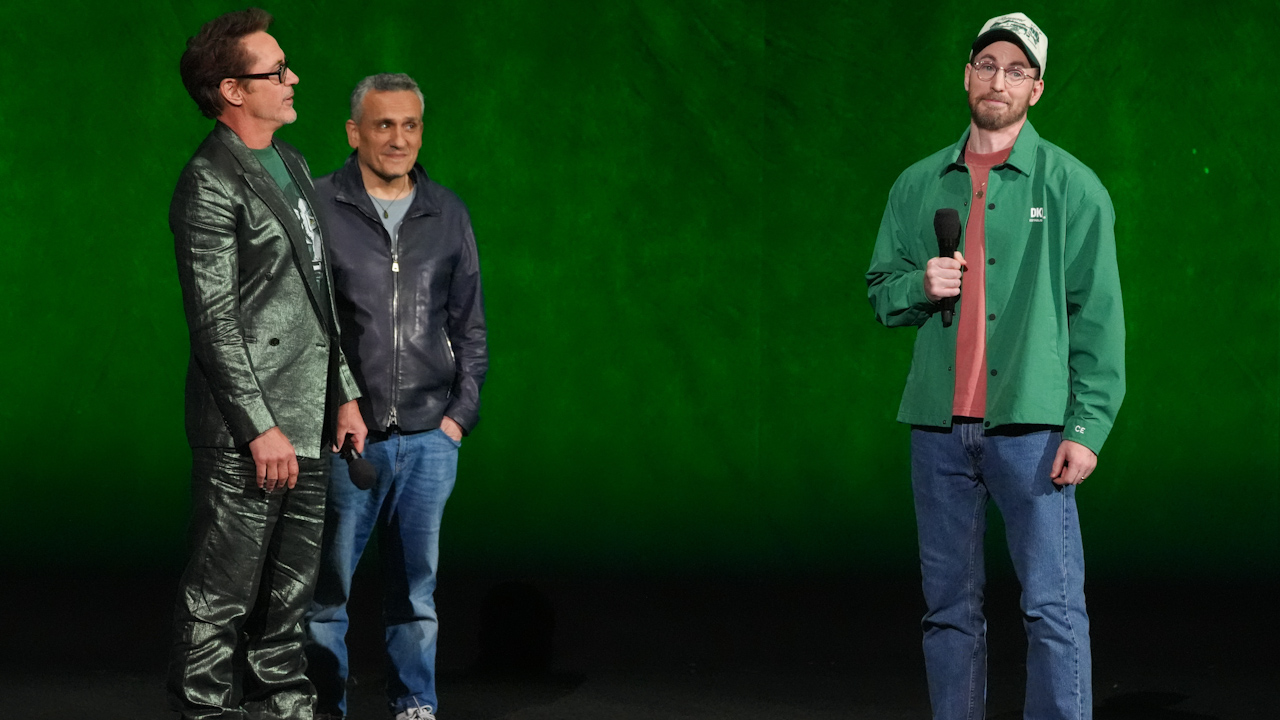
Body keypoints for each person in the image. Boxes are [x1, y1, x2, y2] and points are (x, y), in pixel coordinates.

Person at [866, 12, 1124, 720]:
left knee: (1051, 605)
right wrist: (921, 284)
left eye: (1016, 70)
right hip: (938, 431)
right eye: (986, 65)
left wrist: (1087, 426)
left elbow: (1097, 316)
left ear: (1036, 89)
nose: (998, 80)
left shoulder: (1073, 187)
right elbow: (880, 293)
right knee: (948, 608)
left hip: (1032, 431)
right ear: (966, 75)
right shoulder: (919, 184)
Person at [167, 8, 368, 719]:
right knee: (220, 597)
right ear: (231, 90)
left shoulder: (291, 163)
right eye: (275, 71)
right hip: (248, 438)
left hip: (308, 419)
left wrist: (343, 394)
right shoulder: (208, 182)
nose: (293, 78)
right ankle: (207, 711)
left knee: (289, 600)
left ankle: (286, 709)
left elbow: (319, 292)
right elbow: (214, 322)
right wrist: (259, 429)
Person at [305, 73, 488, 720]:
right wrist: (333, 404)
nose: (399, 138)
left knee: (415, 593)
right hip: (345, 441)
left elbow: (470, 327)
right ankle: (324, 705)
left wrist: (457, 421)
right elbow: (304, 324)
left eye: (410, 125)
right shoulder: (318, 206)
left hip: (428, 442)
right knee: (327, 591)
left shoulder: (448, 212)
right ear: (354, 132)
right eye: (384, 124)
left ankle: (415, 703)